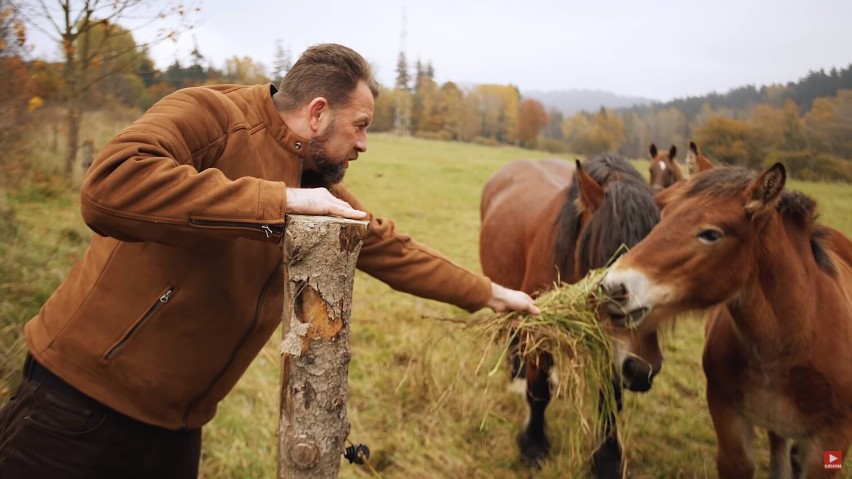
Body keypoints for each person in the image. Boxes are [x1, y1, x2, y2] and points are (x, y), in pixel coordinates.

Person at [0, 43, 539, 478]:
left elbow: (393, 249)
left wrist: (494, 295)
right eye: (361, 125)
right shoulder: (212, 114)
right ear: (318, 113)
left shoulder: (312, 183)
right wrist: (278, 203)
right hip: (76, 410)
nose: (365, 144)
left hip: (178, 434)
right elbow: (111, 186)